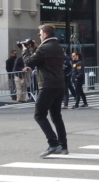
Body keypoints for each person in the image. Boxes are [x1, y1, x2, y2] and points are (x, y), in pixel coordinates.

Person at [23, 24, 68, 157]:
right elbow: (45, 59)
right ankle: (63, 146)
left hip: (47, 85)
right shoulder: (58, 47)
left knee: (39, 115)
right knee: (56, 116)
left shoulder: (44, 48)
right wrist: (36, 48)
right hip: (59, 85)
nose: (39, 35)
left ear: (46, 34)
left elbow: (30, 62)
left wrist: (25, 50)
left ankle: (53, 144)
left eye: (40, 33)